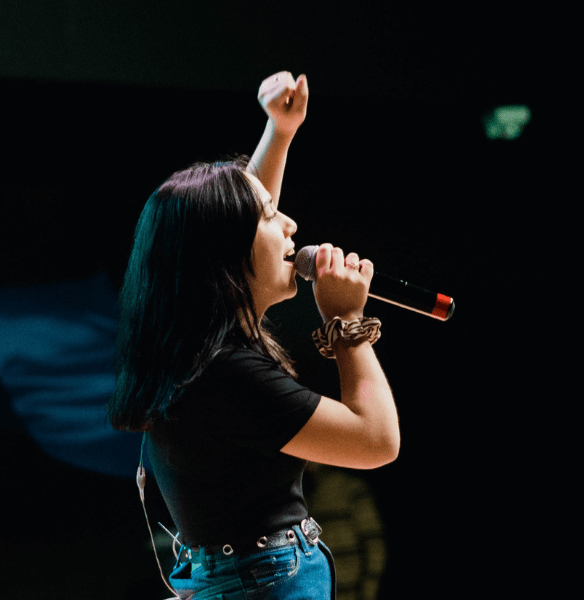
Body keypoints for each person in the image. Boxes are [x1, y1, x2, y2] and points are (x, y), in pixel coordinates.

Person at [106, 71, 400, 600]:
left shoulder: (196, 349)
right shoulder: (227, 376)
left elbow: (239, 214)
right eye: (271, 217)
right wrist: (347, 325)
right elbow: (376, 441)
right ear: (229, 259)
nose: (290, 224)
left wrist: (279, 131)